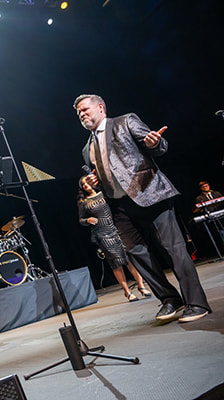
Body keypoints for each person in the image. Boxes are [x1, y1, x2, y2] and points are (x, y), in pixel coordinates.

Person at [74, 94, 211, 322]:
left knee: (174, 250)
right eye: (78, 112)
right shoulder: (86, 148)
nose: (82, 114)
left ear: (100, 107)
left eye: (85, 109)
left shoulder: (125, 121)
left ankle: (197, 304)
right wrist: (95, 181)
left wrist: (154, 143)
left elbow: (158, 145)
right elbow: (104, 173)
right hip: (120, 206)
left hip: (150, 194)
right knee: (135, 253)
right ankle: (170, 299)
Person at [77, 176, 152, 301]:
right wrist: (87, 220)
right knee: (116, 263)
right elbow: (80, 220)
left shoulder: (103, 194)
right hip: (102, 234)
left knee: (130, 258)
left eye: (87, 182)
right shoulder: (84, 203)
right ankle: (127, 292)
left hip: (116, 229)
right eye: (83, 184)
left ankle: (141, 285)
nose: (85, 185)